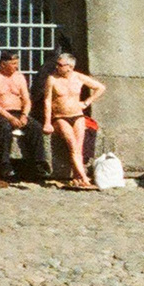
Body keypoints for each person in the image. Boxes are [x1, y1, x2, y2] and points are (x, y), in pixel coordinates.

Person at [43, 51, 106, 190]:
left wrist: (86, 102)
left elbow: (100, 87)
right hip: (60, 117)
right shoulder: (52, 79)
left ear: (70, 67)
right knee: (72, 145)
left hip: (77, 115)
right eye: (57, 64)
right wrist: (47, 122)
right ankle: (84, 178)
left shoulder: (78, 77)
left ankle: (77, 177)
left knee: (79, 148)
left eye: (60, 65)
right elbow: (47, 101)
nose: (57, 67)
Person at [0, 52, 32, 184]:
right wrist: (10, 118)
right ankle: (4, 165)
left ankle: (38, 162)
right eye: (13, 64)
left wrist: (24, 115)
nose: (16, 67)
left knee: (36, 128)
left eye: (17, 63)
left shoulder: (19, 77)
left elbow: (27, 100)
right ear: (3, 64)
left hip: (18, 112)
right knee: (4, 128)